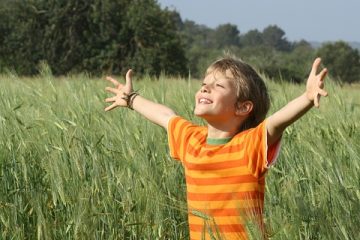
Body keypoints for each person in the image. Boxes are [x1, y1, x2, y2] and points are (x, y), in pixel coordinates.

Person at [104, 56, 328, 240]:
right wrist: (131, 99)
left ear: (243, 107)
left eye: (218, 86)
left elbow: (276, 123)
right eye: (203, 85)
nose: (205, 89)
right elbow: (165, 116)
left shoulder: (249, 145)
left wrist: (307, 98)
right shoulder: (191, 139)